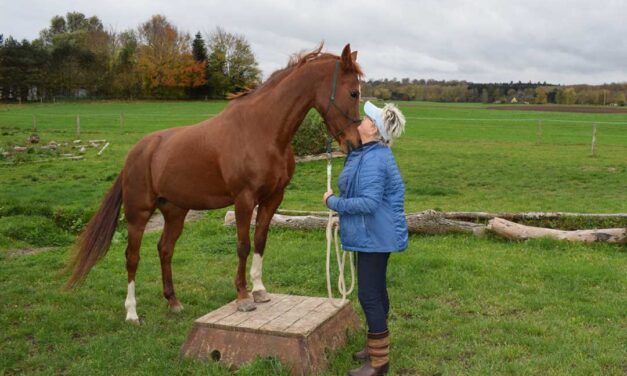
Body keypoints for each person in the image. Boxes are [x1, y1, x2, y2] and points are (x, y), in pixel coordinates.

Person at [323, 101, 408, 376]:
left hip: (375, 235)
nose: (361, 118)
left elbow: (369, 203)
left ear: (373, 128)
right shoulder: (368, 153)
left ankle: (379, 363)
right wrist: (344, 212)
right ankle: (376, 344)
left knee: (369, 295)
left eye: (367, 117)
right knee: (376, 291)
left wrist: (334, 203)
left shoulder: (374, 158)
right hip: (373, 233)